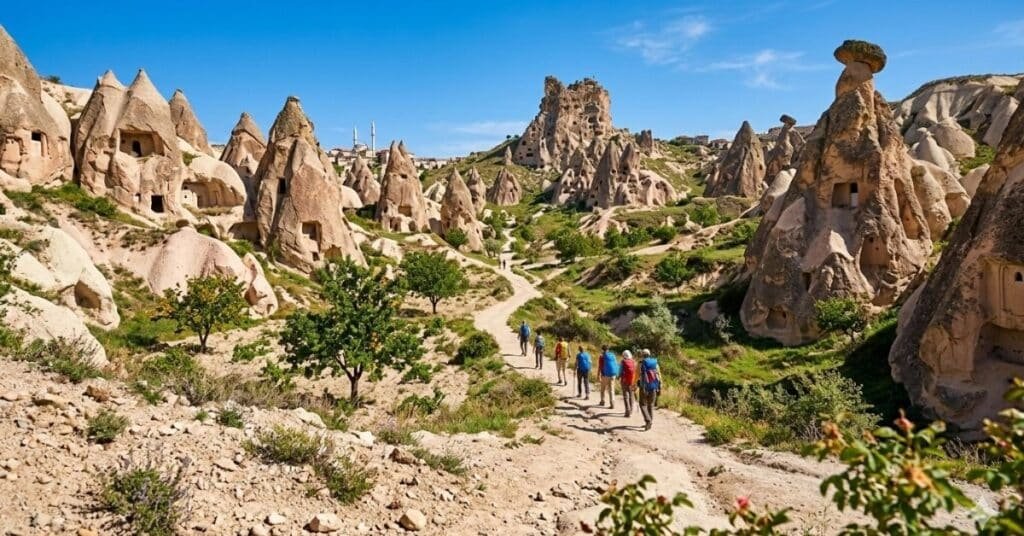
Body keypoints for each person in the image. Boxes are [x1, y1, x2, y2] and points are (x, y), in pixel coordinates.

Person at [638, 349, 661, 431]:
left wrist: (634, 385)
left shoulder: (641, 363)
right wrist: (659, 387)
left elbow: (638, 375)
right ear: (649, 354)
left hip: (644, 387)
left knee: (642, 404)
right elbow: (659, 376)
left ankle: (648, 421)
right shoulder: (655, 364)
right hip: (654, 386)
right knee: (650, 405)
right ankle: (650, 422)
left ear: (643, 355)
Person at [619, 350, 637, 418]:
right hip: (632, 381)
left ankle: (627, 411)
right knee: (631, 396)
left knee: (626, 396)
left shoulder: (623, 362)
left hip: (624, 381)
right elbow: (635, 371)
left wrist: (619, 377)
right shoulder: (633, 361)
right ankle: (631, 410)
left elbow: (620, 371)